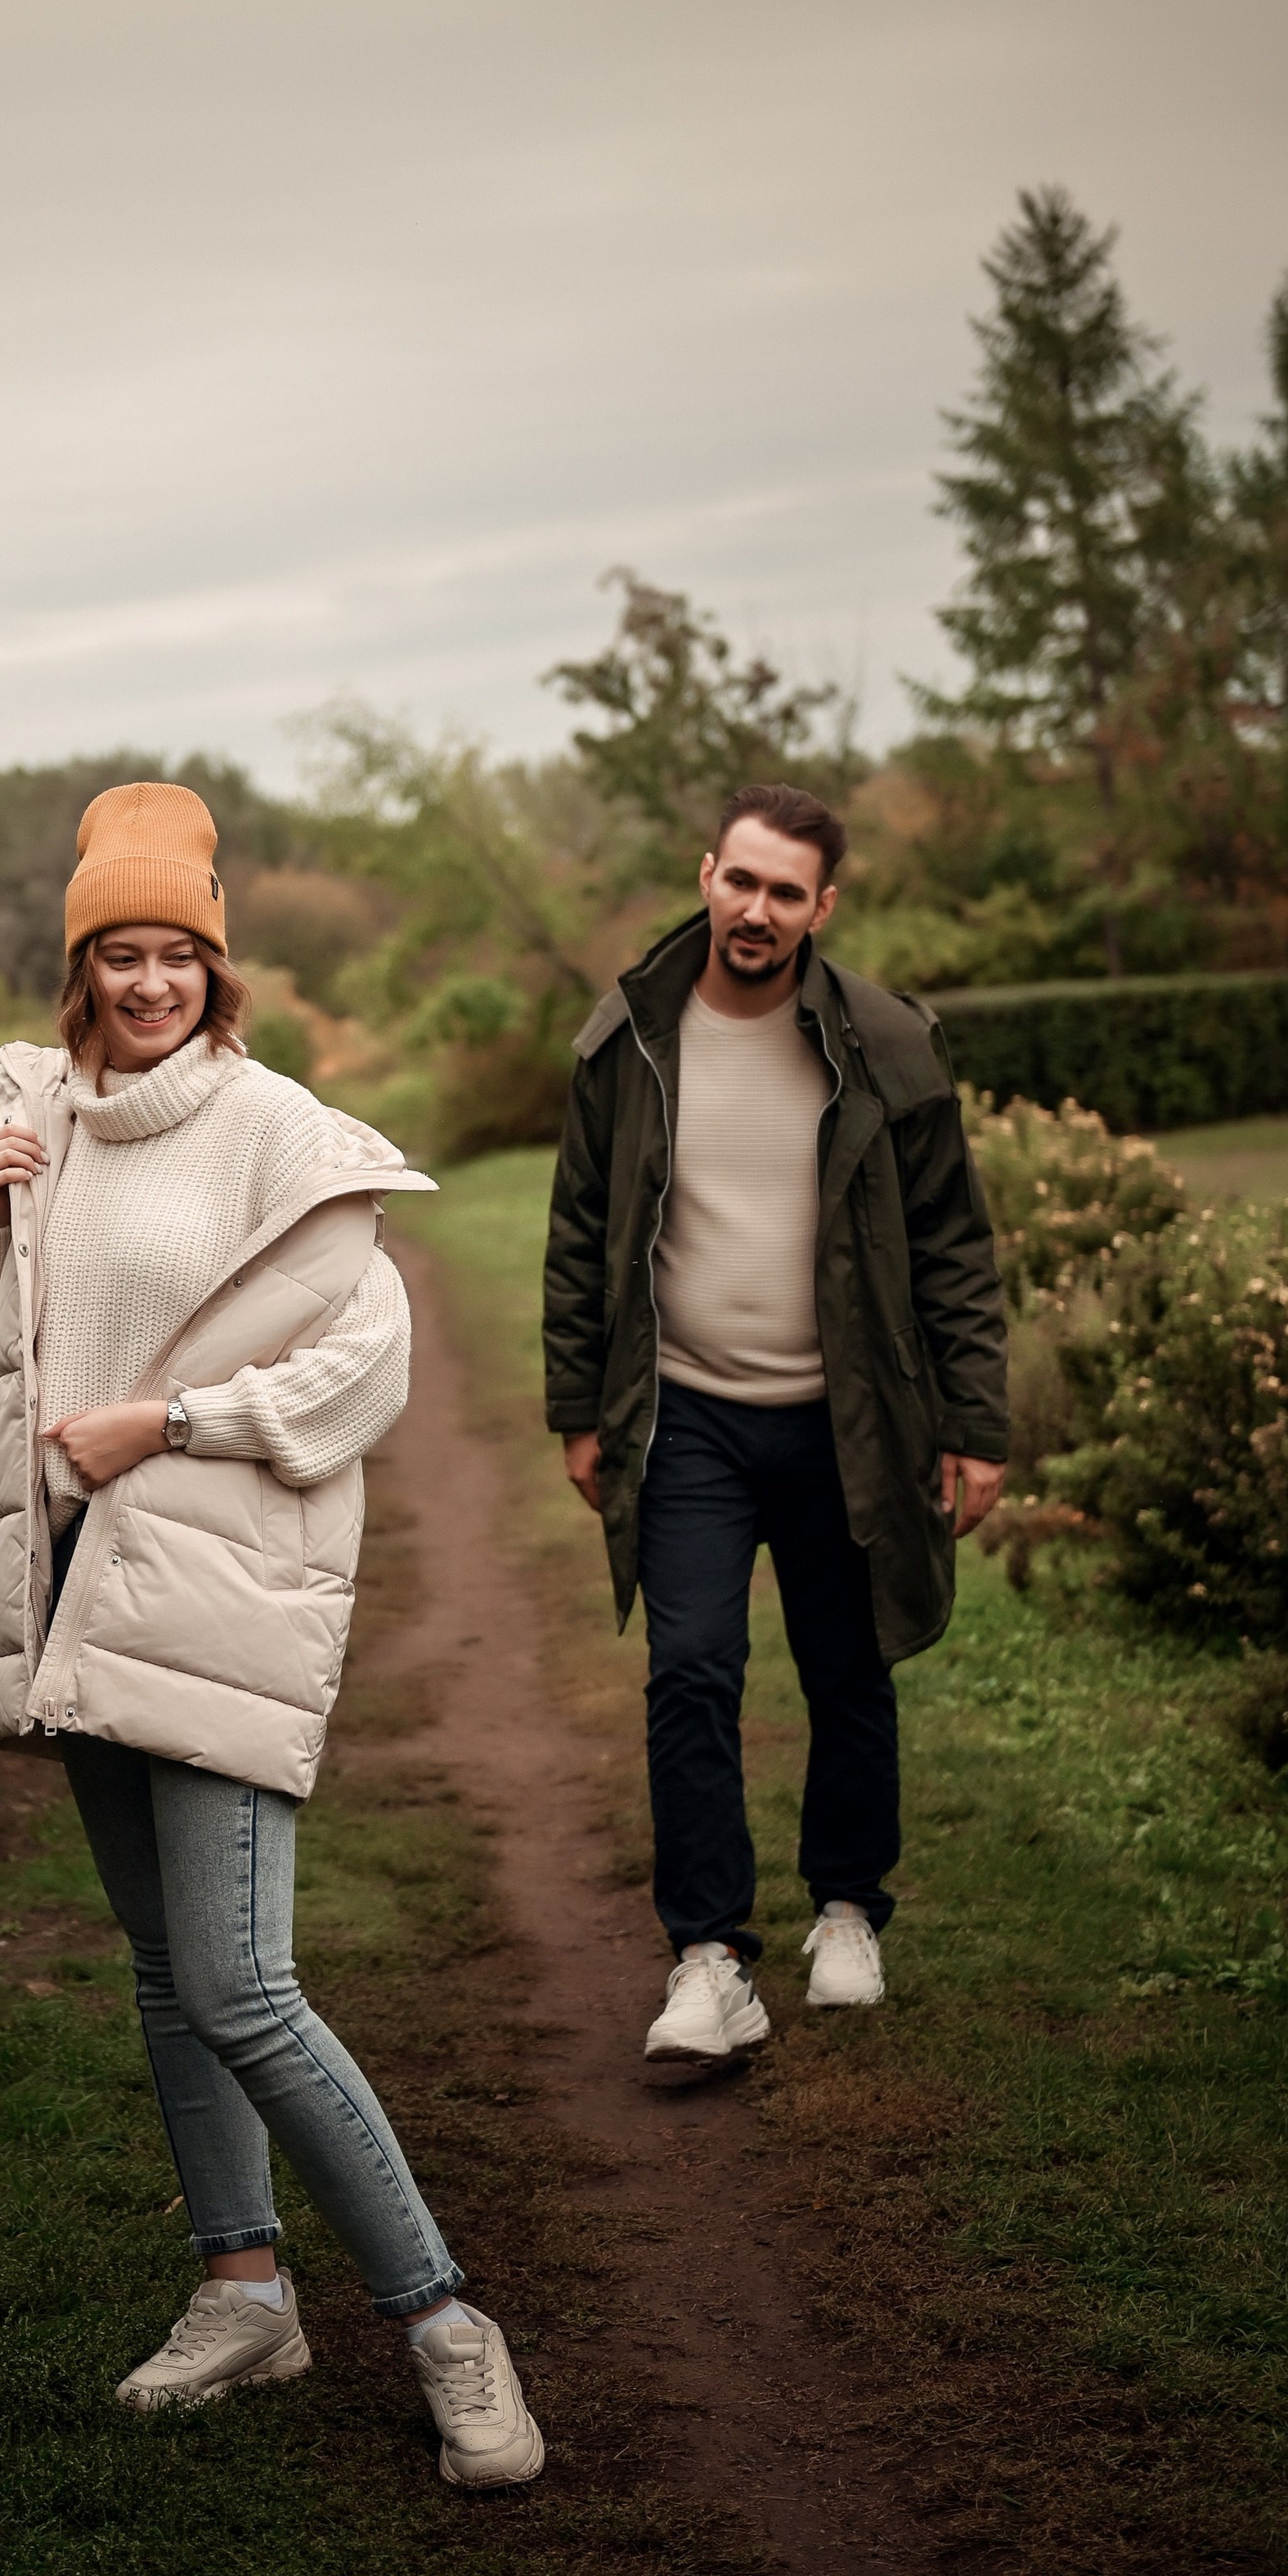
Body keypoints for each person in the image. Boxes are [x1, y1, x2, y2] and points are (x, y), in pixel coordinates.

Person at [0, 779, 543, 2488]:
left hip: (208, 1585)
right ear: (80, 972)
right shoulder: (34, 1122)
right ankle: (242, 2289)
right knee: (163, 1972)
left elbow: (366, 1362)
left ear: (218, 967)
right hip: (75, 1588)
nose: (147, 985)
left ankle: (440, 2322)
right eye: (117, 957)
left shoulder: (281, 1131)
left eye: (174, 956)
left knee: (242, 1982)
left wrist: (172, 1425)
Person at [542, 781, 1008, 2061]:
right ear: (708, 875)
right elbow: (580, 1232)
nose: (757, 909)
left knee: (848, 1671)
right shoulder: (629, 1036)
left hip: (845, 1418)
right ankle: (709, 1957)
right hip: (686, 1414)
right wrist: (579, 1408)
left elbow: (953, 1247)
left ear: (823, 906)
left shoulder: (886, 1043)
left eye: (785, 892)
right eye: (740, 881)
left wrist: (976, 1422)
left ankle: (850, 1907)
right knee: (689, 1669)